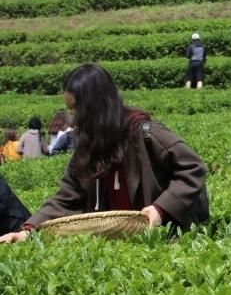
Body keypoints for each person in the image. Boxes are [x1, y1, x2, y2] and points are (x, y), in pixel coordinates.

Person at [0, 63, 208, 244]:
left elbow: (193, 167)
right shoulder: (88, 148)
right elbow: (66, 198)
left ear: (96, 107)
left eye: (76, 110)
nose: (73, 118)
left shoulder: (145, 133)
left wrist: (160, 209)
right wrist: (28, 230)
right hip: (117, 245)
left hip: (161, 240)